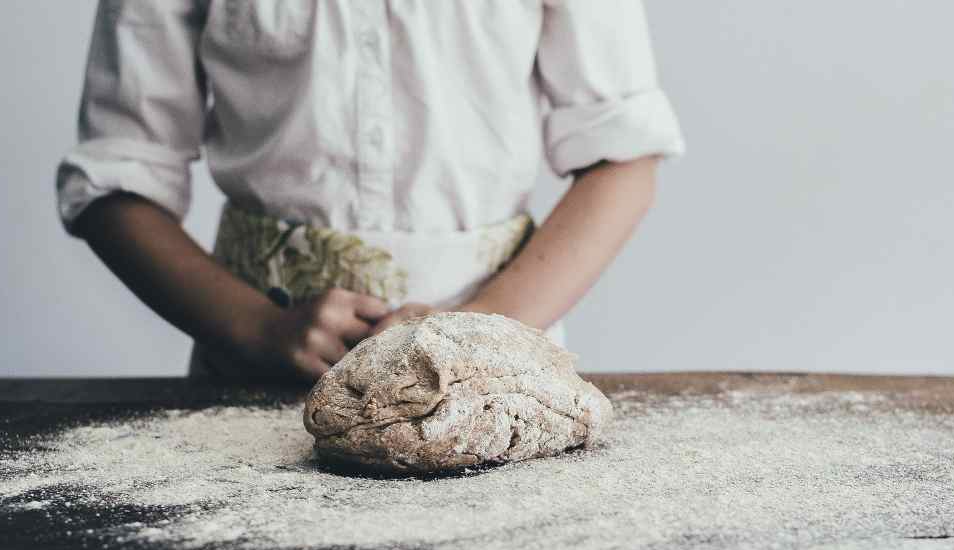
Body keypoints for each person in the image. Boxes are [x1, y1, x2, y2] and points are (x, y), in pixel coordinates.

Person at [58, 1, 684, 381]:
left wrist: (478, 331)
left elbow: (622, 160)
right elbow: (115, 178)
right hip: (253, 376)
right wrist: (257, 329)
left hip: (498, 371)